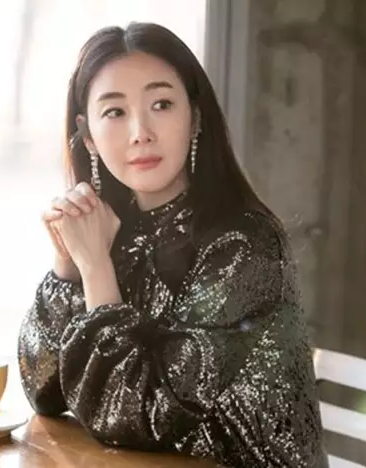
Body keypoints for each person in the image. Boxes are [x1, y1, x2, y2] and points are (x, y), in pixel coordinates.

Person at [17, 22, 328, 467]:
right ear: (88, 136)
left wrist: (97, 269)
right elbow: (43, 391)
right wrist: (68, 265)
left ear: (195, 117)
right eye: (115, 112)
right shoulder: (112, 228)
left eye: (161, 104)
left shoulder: (246, 246)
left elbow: (133, 416)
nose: (140, 132)